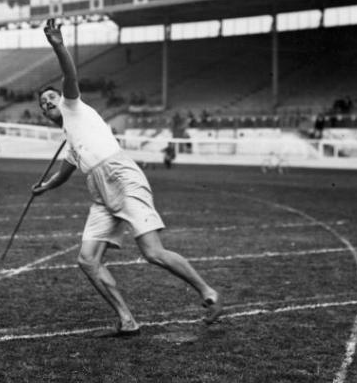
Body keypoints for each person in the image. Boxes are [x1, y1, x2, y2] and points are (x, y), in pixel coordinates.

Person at [31, 18, 221, 336]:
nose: (48, 102)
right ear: (43, 113)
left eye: (51, 98)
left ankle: (209, 294)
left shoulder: (73, 106)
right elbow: (65, 172)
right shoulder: (72, 135)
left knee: (152, 252)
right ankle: (127, 319)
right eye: (43, 104)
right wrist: (44, 187)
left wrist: (58, 46)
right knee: (87, 260)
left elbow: (70, 75)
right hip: (99, 190)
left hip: (120, 175)